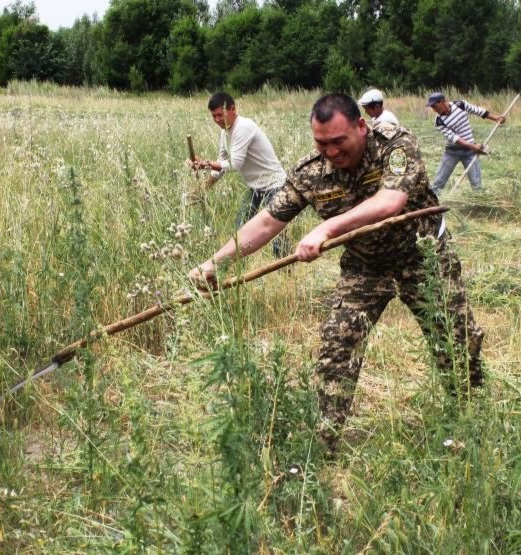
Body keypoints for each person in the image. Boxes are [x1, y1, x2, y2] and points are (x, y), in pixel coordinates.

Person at [189, 94, 485, 451]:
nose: (331, 152)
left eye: (338, 142)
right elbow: (268, 221)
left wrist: (327, 229)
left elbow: (390, 202)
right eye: (322, 143)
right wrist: (216, 262)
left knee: (457, 344)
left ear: (361, 126)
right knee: (337, 348)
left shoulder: (395, 144)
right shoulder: (310, 173)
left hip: (424, 256)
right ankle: (320, 445)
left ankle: (470, 421)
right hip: (365, 267)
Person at [189, 92, 290, 257]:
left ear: (232, 109)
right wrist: (203, 188)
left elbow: (235, 164)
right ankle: (239, 267)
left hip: (275, 185)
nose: (217, 120)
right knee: (241, 229)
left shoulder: (243, 126)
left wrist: (204, 164)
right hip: (255, 188)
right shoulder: (225, 133)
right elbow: (220, 165)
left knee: (275, 234)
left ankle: (286, 272)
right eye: (213, 116)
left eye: (220, 115)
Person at [426, 92, 506, 194]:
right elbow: (455, 139)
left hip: (470, 153)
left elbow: (480, 112)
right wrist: (473, 146)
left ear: (442, 102)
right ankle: (432, 205)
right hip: (452, 152)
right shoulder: (439, 122)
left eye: (435, 106)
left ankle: (478, 207)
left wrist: (496, 118)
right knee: (438, 184)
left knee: (477, 186)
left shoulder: (461, 105)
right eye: (432, 107)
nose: (434, 110)